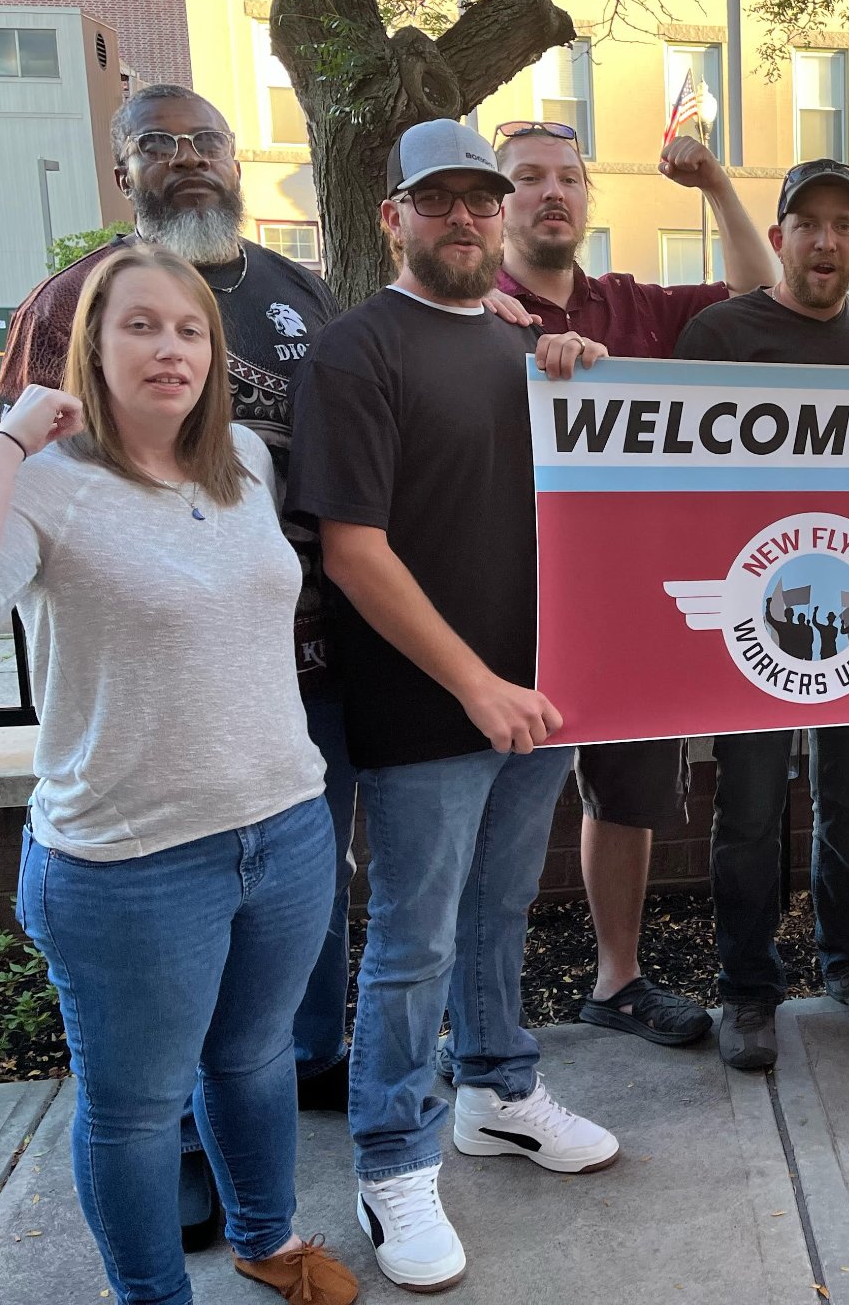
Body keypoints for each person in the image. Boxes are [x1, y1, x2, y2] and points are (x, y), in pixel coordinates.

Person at [0, 247, 358, 1305]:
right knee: (132, 1107)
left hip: (285, 826)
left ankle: (266, 1239)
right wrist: (14, 433)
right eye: (141, 327)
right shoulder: (50, 488)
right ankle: (152, 1296)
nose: (170, 348)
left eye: (191, 329)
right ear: (92, 349)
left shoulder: (246, 461)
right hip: (127, 863)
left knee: (253, 1062)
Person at [287, 120, 616, 1294]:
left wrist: (571, 369)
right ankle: (392, 1161)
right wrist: (474, 685)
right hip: (433, 712)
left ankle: (497, 1091)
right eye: (440, 201)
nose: (467, 218)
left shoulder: (525, 347)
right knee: (411, 945)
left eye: (484, 199)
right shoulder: (353, 353)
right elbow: (353, 549)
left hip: (537, 699)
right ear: (391, 217)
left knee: (499, 912)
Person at [491, 121, 775, 1051]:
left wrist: (717, 185)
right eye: (527, 179)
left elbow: (757, 287)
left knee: (627, 794)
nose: (550, 193)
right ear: (499, 205)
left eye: (568, 177)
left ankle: (616, 982)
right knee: (491, 810)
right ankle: (475, 1016)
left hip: (622, 603)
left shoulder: (632, 306)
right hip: (501, 603)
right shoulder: (469, 300)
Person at [674, 157, 849, 1071]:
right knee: (747, 812)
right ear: (776, 239)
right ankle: (747, 988)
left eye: (842, 223)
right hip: (750, 608)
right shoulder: (719, 334)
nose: (824, 239)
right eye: (805, 223)